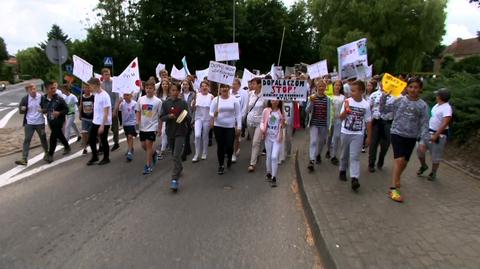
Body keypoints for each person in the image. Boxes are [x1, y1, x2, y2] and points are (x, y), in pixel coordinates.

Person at [382, 77, 429, 202]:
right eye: (411, 87)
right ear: (407, 88)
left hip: (412, 136)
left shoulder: (423, 106)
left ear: (420, 89)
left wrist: (424, 141)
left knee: (405, 162)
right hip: (397, 133)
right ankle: (392, 188)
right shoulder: (399, 100)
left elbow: (425, 124)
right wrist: (384, 98)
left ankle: (397, 177)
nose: (413, 90)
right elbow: (384, 110)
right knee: (399, 160)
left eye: (416, 87)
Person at [338, 80, 372, 191]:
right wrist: (346, 111)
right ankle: (342, 170)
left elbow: (368, 121)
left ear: (361, 91)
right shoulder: (347, 101)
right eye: (351, 90)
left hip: (358, 133)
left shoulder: (365, 105)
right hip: (345, 132)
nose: (351, 93)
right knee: (344, 154)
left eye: (354, 91)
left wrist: (369, 136)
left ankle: (354, 178)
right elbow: (341, 118)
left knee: (355, 156)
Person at [416, 88, 452, 181]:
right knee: (420, 150)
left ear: (440, 97)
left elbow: (445, 123)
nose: (436, 96)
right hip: (428, 132)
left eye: (437, 95)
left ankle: (433, 172)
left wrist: (436, 134)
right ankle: (423, 166)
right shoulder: (437, 105)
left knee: (435, 156)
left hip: (439, 135)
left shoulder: (447, 108)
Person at [160, 83, 190, 192]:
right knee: (174, 154)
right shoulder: (166, 103)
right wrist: (168, 116)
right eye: (172, 90)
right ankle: (180, 168)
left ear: (179, 91)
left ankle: (174, 179)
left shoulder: (183, 103)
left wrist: (185, 116)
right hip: (170, 132)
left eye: (176, 90)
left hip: (181, 132)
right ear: (170, 91)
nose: (174, 92)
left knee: (176, 155)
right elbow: (161, 117)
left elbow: (189, 117)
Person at [210, 83, 242, 175]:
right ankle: (221, 165)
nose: (224, 89)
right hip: (218, 126)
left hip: (230, 126)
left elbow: (238, 113)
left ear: (229, 88)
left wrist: (239, 126)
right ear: (220, 89)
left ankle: (229, 156)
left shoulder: (234, 100)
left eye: (226, 87)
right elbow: (211, 112)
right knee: (220, 146)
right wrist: (214, 114)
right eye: (222, 87)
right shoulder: (216, 100)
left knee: (229, 145)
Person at [15, 83, 49, 165]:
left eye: (34, 88)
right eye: (31, 89)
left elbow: (47, 108)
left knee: (43, 138)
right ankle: (24, 159)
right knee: (27, 140)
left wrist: (43, 110)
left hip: (40, 122)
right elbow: (20, 110)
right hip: (29, 123)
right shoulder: (25, 99)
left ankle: (47, 154)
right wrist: (23, 109)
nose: (33, 91)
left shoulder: (41, 97)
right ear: (27, 91)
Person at [368, 80, 396, 172]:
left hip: (388, 123)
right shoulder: (374, 95)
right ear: (380, 83)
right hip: (376, 121)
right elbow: (369, 108)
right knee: (373, 144)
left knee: (385, 144)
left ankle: (381, 160)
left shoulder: (395, 96)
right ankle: (371, 164)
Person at [136, 79, 162, 174]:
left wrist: (159, 128)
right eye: (147, 88)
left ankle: (148, 165)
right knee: (143, 146)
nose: (148, 90)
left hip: (152, 126)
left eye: (150, 88)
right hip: (143, 126)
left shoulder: (158, 101)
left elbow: (160, 116)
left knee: (148, 144)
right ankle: (154, 154)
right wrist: (137, 121)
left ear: (154, 89)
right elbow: (138, 111)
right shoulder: (141, 99)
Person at [306, 79, 333, 171]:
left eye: (323, 86)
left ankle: (318, 154)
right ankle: (311, 160)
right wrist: (311, 102)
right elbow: (307, 110)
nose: (321, 88)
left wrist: (330, 125)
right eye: (319, 86)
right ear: (316, 87)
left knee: (321, 142)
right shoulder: (312, 98)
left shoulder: (328, 99)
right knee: (313, 141)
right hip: (314, 123)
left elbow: (330, 113)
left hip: (324, 125)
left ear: (325, 88)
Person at [43, 81, 71, 163]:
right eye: (51, 88)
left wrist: (59, 113)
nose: (53, 90)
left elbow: (67, 109)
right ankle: (67, 146)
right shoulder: (44, 99)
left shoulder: (59, 99)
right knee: (59, 135)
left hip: (59, 121)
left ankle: (50, 155)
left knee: (53, 137)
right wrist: (43, 110)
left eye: (54, 88)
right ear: (46, 89)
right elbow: (45, 108)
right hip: (50, 121)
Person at [86, 77, 112, 166]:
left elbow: (106, 112)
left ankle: (106, 158)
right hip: (95, 121)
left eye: (90, 85)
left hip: (103, 122)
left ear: (96, 85)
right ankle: (95, 156)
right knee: (91, 139)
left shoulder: (105, 96)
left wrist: (102, 125)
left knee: (103, 140)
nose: (89, 87)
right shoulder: (96, 94)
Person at [260, 100, 285, 187]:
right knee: (269, 156)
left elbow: (283, 125)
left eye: (276, 100)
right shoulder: (266, 110)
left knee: (274, 157)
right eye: (273, 99)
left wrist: (283, 123)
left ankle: (274, 177)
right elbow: (262, 122)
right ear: (270, 100)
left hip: (277, 138)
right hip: (268, 137)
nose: (274, 101)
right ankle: (268, 172)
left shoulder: (281, 111)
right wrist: (263, 129)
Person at [246, 78, 267, 172]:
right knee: (253, 140)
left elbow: (267, 109)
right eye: (251, 84)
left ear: (259, 85)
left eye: (254, 84)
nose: (252, 85)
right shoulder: (250, 94)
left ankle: (252, 163)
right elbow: (246, 107)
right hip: (250, 120)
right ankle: (256, 153)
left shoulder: (265, 95)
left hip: (260, 122)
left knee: (255, 142)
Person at [192, 81, 213, 162]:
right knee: (197, 135)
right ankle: (196, 154)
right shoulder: (197, 96)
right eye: (202, 86)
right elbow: (193, 109)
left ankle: (204, 152)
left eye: (206, 86)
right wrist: (193, 104)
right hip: (198, 119)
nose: (204, 87)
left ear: (208, 87)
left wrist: (212, 121)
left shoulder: (211, 96)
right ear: (200, 88)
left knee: (205, 136)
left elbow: (213, 109)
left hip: (207, 119)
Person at [101, 68, 120, 151]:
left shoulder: (114, 83)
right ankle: (103, 145)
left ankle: (116, 143)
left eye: (108, 74)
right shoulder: (102, 85)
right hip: (105, 109)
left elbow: (117, 98)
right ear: (102, 76)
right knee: (104, 127)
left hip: (113, 108)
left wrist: (115, 110)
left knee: (115, 127)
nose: (107, 76)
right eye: (105, 74)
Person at [230, 78, 248, 163]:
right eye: (232, 84)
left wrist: (240, 119)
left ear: (239, 85)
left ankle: (233, 153)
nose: (233, 86)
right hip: (228, 119)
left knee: (235, 136)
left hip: (238, 119)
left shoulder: (244, 94)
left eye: (235, 84)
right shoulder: (228, 92)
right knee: (229, 137)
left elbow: (244, 107)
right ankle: (229, 150)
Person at [329, 80, 345, 165]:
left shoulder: (343, 97)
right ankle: (328, 150)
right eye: (336, 85)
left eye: (339, 85)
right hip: (329, 119)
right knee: (328, 136)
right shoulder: (329, 96)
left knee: (336, 137)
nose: (337, 87)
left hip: (338, 119)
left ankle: (334, 155)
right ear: (333, 86)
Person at [119, 92, 137, 162]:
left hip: (132, 123)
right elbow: (118, 110)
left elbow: (137, 112)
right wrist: (118, 102)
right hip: (125, 123)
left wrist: (137, 122)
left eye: (127, 95)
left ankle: (130, 152)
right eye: (124, 95)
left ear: (131, 96)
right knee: (127, 136)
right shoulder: (122, 103)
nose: (125, 96)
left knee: (130, 136)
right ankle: (131, 148)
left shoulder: (134, 103)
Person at [180, 79, 196, 161]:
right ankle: (185, 152)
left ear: (189, 85)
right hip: (182, 116)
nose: (185, 86)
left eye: (186, 84)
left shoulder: (193, 94)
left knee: (188, 133)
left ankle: (187, 149)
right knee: (185, 134)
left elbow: (195, 107)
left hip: (190, 116)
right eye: (183, 84)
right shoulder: (180, 95)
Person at [155, 78, 170, 160]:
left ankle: (163, 148)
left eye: (166, 84)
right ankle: (163, 147)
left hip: (168, 116)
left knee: (165, 132)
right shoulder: (158, 95)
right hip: (160, 116)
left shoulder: (171, 94)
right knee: (162, 133)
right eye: (163, 84)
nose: (165, 85)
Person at [79, 83, 94, 154]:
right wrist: (79, 114)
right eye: (85, 88)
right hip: (85, 118)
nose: (87, 89)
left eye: (88, 88)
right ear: (83, 89)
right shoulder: (81, 97)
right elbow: (80, 106)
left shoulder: (93, 97)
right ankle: (85, 148)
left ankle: (100, 145)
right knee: (84, 133)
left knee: (94, 133)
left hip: (93, 118)